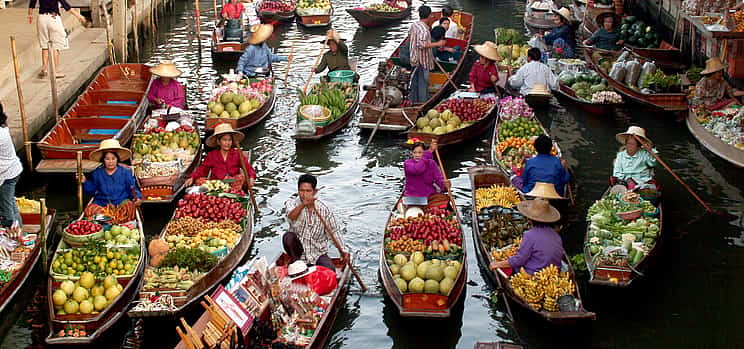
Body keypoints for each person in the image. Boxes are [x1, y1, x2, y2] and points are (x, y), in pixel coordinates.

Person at [283, 174, 349, 272]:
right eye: (301, 191)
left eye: (308, 191)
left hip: (318, 253)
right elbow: (291, 216)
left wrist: (343, 250)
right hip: (298, 254)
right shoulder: (291, 203)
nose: (304, 194)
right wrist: (303, 205)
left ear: (315, 191)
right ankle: (296, 264)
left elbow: (334, 232)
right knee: (288, 236)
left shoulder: (324, 210)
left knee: (330, 271)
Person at [488, 198, 563, 275]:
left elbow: (519, 260)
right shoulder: (556, 235)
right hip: (555, 273)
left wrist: (497, 264)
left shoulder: (529, 235)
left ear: (530, 220)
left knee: (515, 267)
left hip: (535, 275)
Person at [82, 139, 141, 224]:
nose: (110, 162)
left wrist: (137, 198)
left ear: (117, 159)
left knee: (129, 208)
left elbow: (132, 188)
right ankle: (107, 221)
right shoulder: (97, 173)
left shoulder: (125, 172)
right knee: (90, 211)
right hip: (103, 203)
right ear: (103, 160)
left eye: (113, 158)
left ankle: (115, 221)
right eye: (107, 159)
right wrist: (84, 181)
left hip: (120, 203)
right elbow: (92, 190)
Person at [185, 123, 256, 192]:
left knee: (241, 177)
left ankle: (233, 192)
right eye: (224, 140)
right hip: (217, 184)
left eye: (229, 140)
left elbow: (248, 168)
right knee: (199, 181)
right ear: (219, 142)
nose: (227, 143)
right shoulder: (211, 155)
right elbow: (202, 169)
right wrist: (192, 177)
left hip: (232, 182)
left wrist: (252, 177)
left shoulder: (237, 154)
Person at [28, 0, 87, 78]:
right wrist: (79, 16)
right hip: (53, 18)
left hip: (41, 18)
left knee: (44, 45)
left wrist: (30, 14)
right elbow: (66, 6)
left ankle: (44, 69)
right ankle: (55, 71)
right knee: (56, 46)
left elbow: (32, 3)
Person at [408, 5, 446, 104]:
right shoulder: (424, 30)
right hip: (422, 61)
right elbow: (421, 44)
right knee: (423, 83)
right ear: (429, 16)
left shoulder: (414, 25)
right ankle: (422, 103)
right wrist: (438, 44)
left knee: (414, 83)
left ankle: (413, 101)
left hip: (413, 58)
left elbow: (413, 39)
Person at [611, 126, 658, 191]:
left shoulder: (644, 154)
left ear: (638, 146)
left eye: (632, 144)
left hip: (642, 181)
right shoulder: (620, 155)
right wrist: (627, 179)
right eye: (628, 143)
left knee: (648, 191)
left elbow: (653, 164)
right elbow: (617, 173)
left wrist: (650, 151)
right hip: (625, 182)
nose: (629, 146)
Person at [0, 104, 23, 229]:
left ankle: (13, 237)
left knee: (6, 208)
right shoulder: (3, 128)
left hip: (7, 174)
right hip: (12, 171)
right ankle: (19, 229)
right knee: (10, 204)